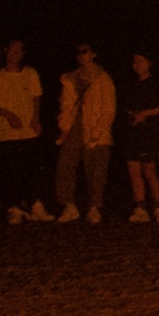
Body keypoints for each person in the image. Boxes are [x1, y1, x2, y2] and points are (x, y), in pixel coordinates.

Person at [51, 44, 116, 222]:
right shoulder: (70, 79)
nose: (81, 56)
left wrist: (99, 130)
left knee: (96, 171)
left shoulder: (103, 79)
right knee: (65, 167)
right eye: (78, 52)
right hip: (74, 128)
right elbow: (66, 106)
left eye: (85, 52)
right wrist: (64, 126)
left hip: (96, 130)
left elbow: (109, 109)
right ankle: (69, 206)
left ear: (93, 54)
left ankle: (94, 207)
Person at [0, 39, 45, 222]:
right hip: (7, 132)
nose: (15, 53)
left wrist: (35, 119)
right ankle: (14, 208)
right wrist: (8, 114)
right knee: (11, 172)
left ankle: (36, 206)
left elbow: (36, 98)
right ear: (6, 51)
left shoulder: (31, 73)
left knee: (32, 170)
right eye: (12, 49)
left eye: (20, 50)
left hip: (29, 130)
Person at [117, 49, 159, 222]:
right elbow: (125, 107)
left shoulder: (156, 83)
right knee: (133, 168)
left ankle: (158, 206)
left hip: (150, 132)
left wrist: (146, 113)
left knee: (149, 169)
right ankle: (140, 206)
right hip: (133, 132)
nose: (137, 65)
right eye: (135, 62)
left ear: (149, 63)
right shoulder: (130, 85)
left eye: (141, 61)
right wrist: (131, 116)